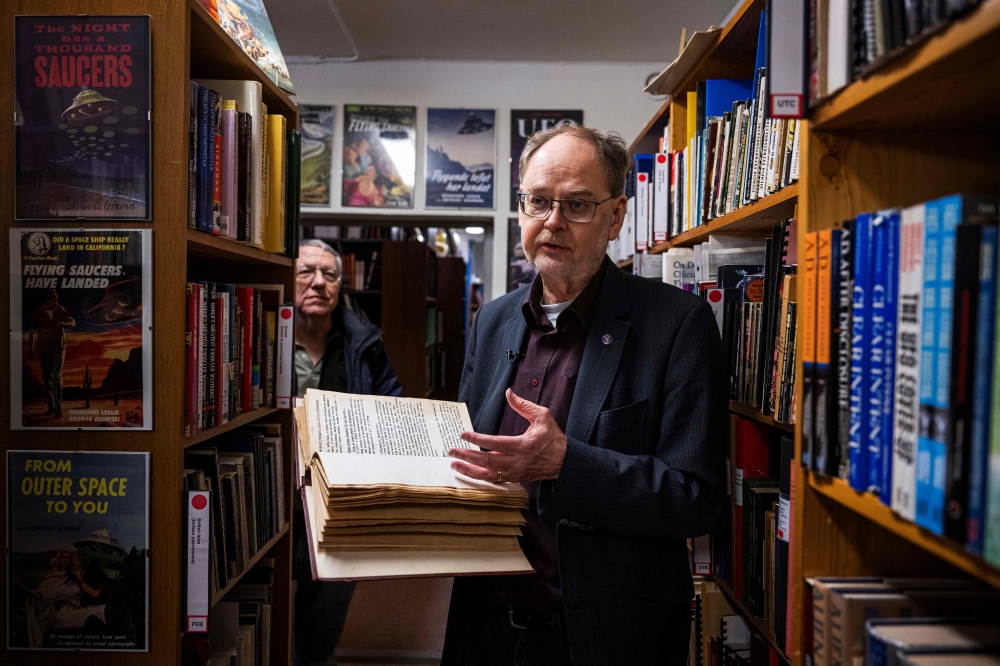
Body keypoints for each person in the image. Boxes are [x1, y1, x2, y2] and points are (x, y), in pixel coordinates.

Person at [441, 125, 728, 665]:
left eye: (576, 205)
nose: (552, 222)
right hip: (483, 625)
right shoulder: (493, 319)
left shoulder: (677, 323)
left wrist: (565, 464)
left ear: (616, 216)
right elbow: (467, 449)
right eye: (538, 201)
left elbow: (698, 500)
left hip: (600, 635)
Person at [292, 238, 402, 666]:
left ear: (341, 285)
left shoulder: (364, 342)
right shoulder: (262, 330)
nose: (318, 283)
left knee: (328, 602)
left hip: (339, 496)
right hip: (272, 487)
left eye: (330, 274)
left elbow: (392, 406)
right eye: (306, 272)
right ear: (289, 277)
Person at [22, 548, 105, 648]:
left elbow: (94, 593)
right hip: (62, 616)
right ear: (59, 559)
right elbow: (39, 596)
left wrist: (105, 587)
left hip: (76, 611)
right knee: (95, 614)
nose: (65, 559)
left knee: (102, 609)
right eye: (63, 557)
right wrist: (23, 588)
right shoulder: (53, 577)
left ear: (71, 560)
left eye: (68, 557)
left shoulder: (74, 577)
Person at [28, 289, 76, 419]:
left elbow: (73, 322)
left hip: (59, 349)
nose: (57, 301)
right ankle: (51, 407)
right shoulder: (37, 315)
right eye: (55, 299)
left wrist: (63, 324)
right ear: (47, 301)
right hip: (44, 351)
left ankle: (58, 409)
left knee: (57, 377)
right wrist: (31, 349)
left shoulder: (60, 310)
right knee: (47, 379)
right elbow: (32, 333)